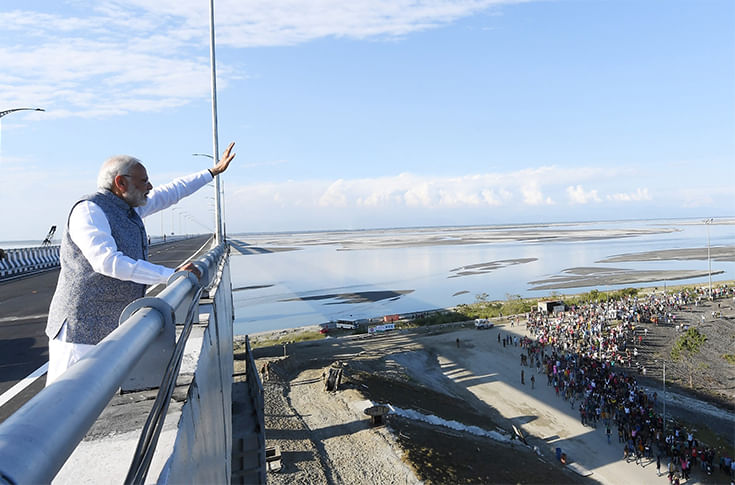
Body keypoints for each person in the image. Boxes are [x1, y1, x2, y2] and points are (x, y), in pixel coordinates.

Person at [44, 142, 236, 385]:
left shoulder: (127, 208)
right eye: (143, 181)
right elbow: (107, 262)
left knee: (99, 399)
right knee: (66, 402)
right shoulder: (90, 211)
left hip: (111, 328)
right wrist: (170, 275)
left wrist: (212, 172)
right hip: (80, 330)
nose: (150, 186)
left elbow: (172, 192)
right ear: (121, 183)